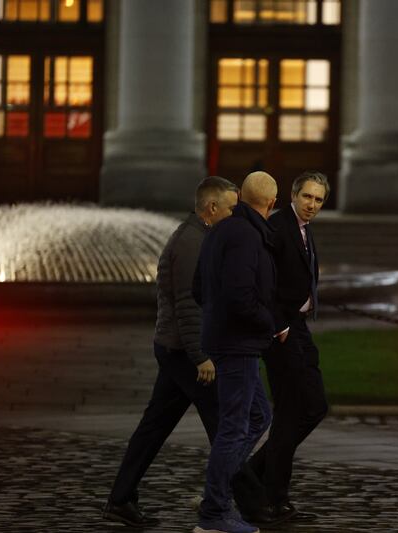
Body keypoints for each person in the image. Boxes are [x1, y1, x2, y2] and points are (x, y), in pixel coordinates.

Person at [102, 176, 239, 528]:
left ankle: (120, 499)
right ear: (212, 208)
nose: (234, 215)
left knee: (155, 427)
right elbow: (188, 307)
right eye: (231, 209)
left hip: (177, 349)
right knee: (224, 425)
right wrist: (201, 356)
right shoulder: (192, 243)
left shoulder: (198, 237)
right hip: (185, 353)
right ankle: (242, 502)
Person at [233, 171, 331, 527]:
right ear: (293, 194)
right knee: (291, 413)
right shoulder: (278, 228)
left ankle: (252, 475)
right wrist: (280, 325)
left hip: (297, 327)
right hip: (282, 331)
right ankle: (274, 499)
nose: (312, 205)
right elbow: (261, 282)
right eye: (307, 197)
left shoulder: (302, 229)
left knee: (314, 407)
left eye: (318, 200)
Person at [192, 171, 279, 533]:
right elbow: (240, 295)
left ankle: (217, 491)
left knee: (259, 415)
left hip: (230, 339)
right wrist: (270, 322)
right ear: (272, 203)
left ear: (241, 196)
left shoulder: (222, 230)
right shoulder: (246, 234)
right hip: (238, 343)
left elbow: (199, 289)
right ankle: (213, 512)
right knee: (234, 427)